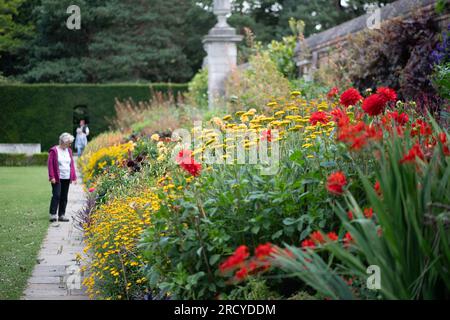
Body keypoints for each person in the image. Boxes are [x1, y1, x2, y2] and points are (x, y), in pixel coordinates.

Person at [47, 133, 77, 222]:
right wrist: (51, 176)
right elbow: (50, 165)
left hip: (67, 177)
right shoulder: (54, 151)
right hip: (57, 178)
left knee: (64, 196)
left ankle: (61, 215)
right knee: (56, 195)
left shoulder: (69, 151)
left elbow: (71, 164)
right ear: (64, 142)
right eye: (69, 143)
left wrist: (74, 177)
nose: (70, 145)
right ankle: (53, 214)